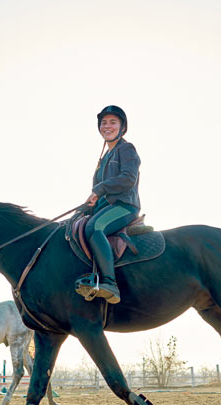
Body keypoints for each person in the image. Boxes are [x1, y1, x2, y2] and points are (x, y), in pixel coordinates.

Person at [81, 105, 141, 304]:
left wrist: (99, 190)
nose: (107, 126)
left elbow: (128, 179)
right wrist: (86, 206)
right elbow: (97, 190)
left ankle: (109, 283)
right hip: (106, 207)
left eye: (113, 122)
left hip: (125, 206)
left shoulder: (126, 148)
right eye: (104, 123)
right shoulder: (103, 158)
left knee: (95, 227)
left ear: (122, 127)